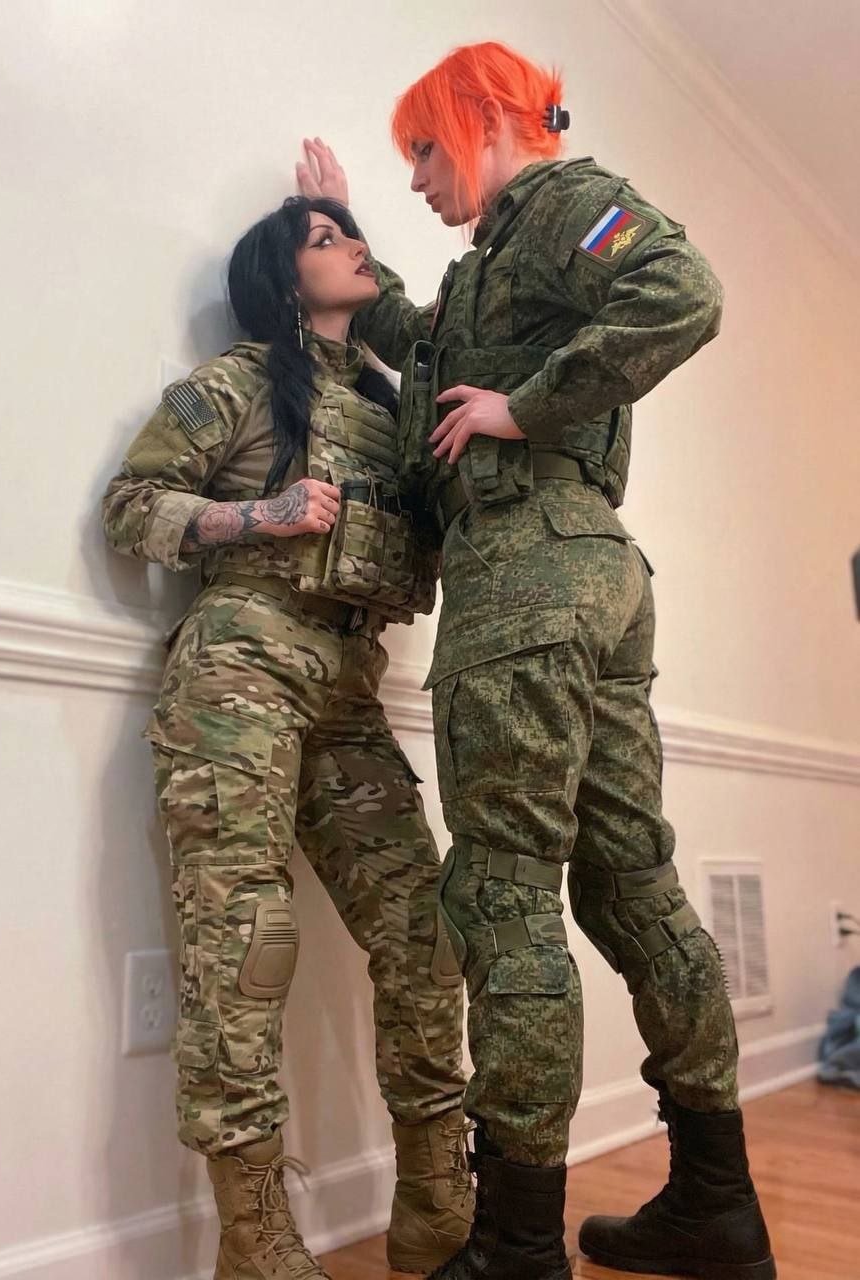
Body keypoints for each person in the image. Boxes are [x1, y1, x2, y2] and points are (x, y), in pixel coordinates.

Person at [296, 40, 774, 1280]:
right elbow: (425, 335)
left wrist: (526, 405)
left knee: (504, 891)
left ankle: (515, 1244)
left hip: (527, 572)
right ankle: (715, 1200)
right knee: (627, 883)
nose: (416, 179)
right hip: (595, 575)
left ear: (484, 119)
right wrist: (343, 232)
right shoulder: (496, 260)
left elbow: (682, 291)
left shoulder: (565, 201)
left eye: (422, 150)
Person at [101, 195, 473, 1280]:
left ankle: (437, 1203)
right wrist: (255, 515)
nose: (352, 245)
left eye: (351, 232)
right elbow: (130, 505)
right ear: (279, 275)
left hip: (352, 686)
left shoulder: (392, 404)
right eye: (324, 238)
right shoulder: (240, 381)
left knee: (424, 933)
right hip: (240, 670)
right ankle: (254, 1238)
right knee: (245, 944)